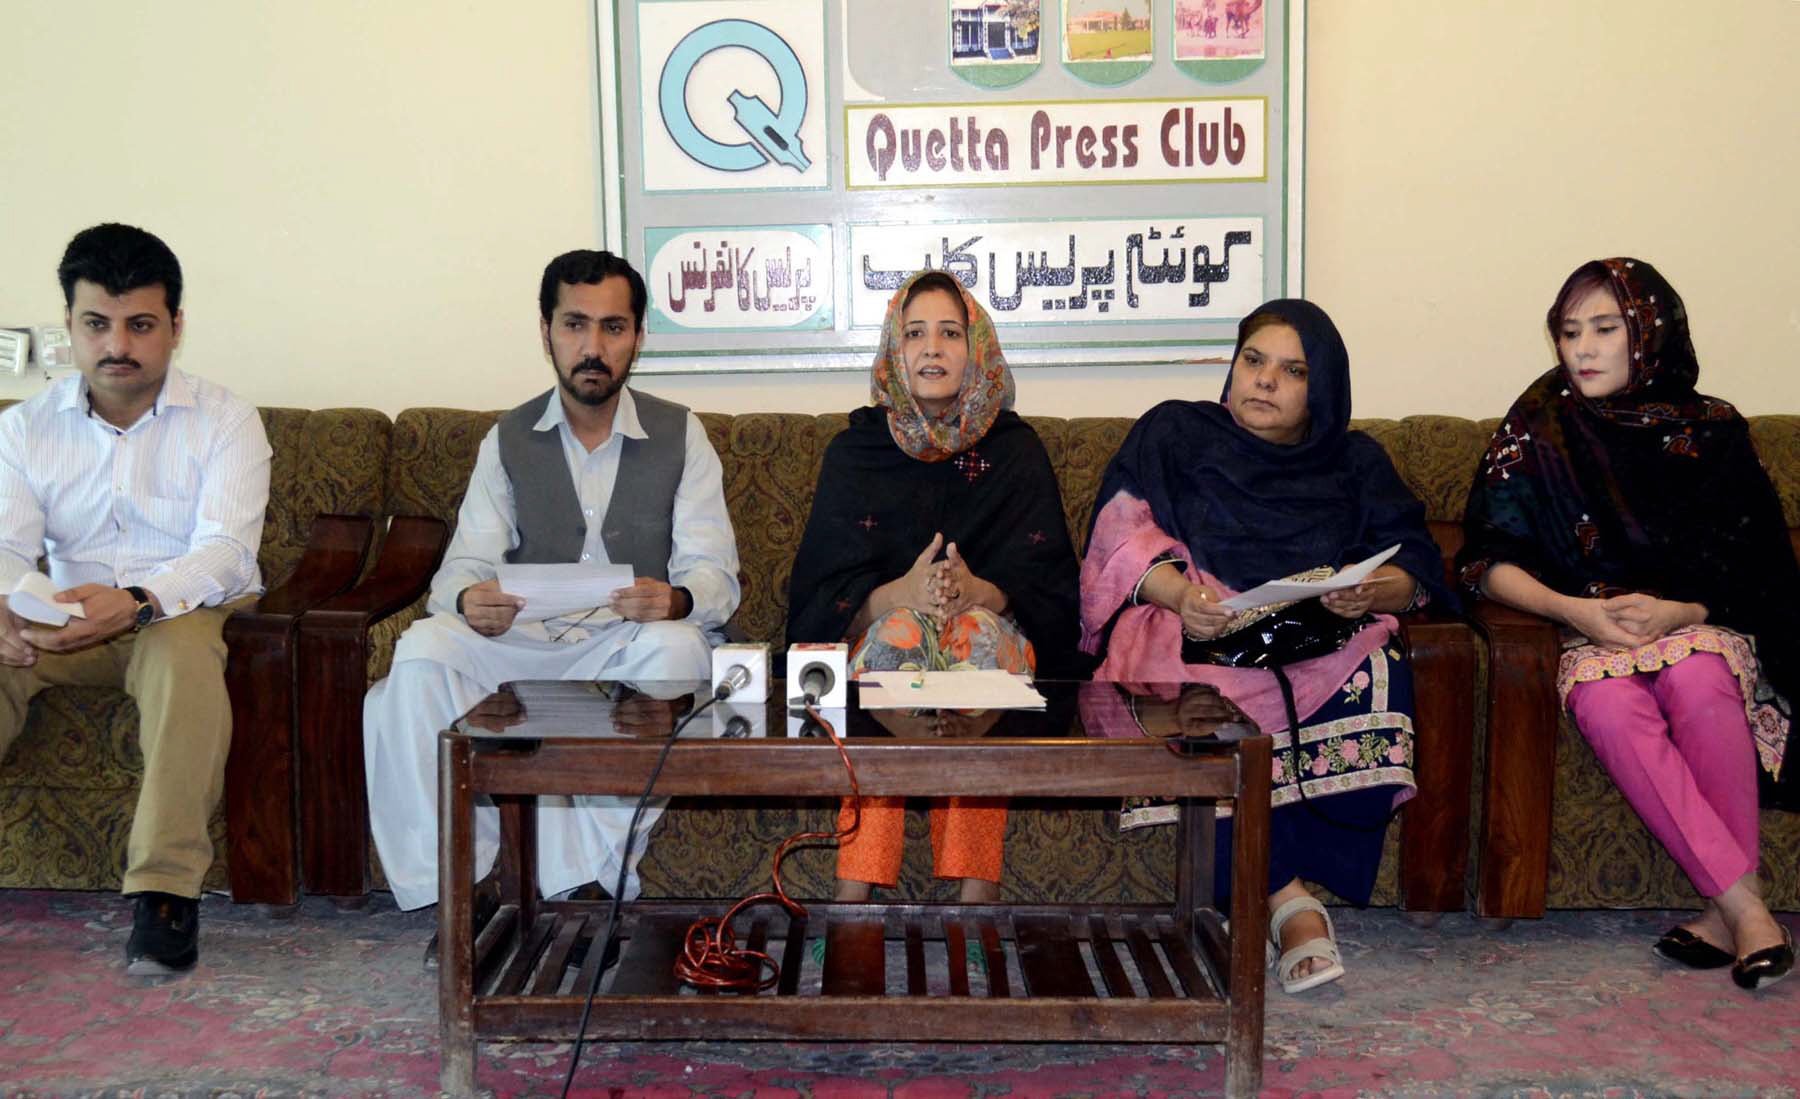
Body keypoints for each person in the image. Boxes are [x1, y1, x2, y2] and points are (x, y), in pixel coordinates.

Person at [362, 250, 740, 936]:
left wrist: (677, 599)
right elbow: (460, 567)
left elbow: (717, 573)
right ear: (546, 331)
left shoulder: (683, 433)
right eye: (575, 325)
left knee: (680, 655)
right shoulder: (506, 438)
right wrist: (468, 599)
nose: (593, 348)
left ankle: (583, 875)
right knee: (417, 659)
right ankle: (464, 886)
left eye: (613, 327)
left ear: (638, 336)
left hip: (627, 643)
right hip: (523, 645)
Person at [1080, 299, 1450, 994]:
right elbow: (1118, 534)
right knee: (1167, 684)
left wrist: (1371, 591)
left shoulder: (1355, 462)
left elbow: (1418, 569)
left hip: (1312, 641)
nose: (1265, 380)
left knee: (1380, 668)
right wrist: (1179, 595)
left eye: (1292, 370)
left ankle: (1271, 889)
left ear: (1323, 388)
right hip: (1196, 629)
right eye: (1254, 360)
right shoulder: (1175, 431)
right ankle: (1287, 901)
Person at [1458, 258, 1797, 990]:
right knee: (1611, 705)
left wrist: (1684, 611)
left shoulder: (1713, 430)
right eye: (1569, 331)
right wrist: (1575, 609)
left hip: (1696, 620)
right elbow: (1485, 559)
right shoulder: (1540, 429)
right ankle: (1746, 906)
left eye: (1605, 328)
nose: (1582, 348)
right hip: (1587, 630)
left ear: (1649, 331)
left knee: (1703, 679)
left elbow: (1764, 564)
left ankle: (1721, 912)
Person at [0, 224, 272, 976]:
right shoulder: (23, 429)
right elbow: (8, 547)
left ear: (175, 327)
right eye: (97, 324)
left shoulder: (225, 420)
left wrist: (139, 599)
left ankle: (164, 892)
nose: (117, 344)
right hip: (66, 625)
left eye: (140, 325)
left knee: (177, 647)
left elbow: (226, 553)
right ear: (70, 326)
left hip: (186, 613)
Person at [787, 270, 1080, 904]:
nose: (932, 348)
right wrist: (902, 594)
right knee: (900, 641)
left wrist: (980, 592)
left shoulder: (1015, 450)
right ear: (895, 348)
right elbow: (817, 595)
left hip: (990, 648)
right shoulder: (855, 450)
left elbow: (1053, 586)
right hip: (882, 644)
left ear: (976, 348)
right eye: (914, 332)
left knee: (972, 645)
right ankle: (853, 895)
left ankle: (975, 899)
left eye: (951, 332)